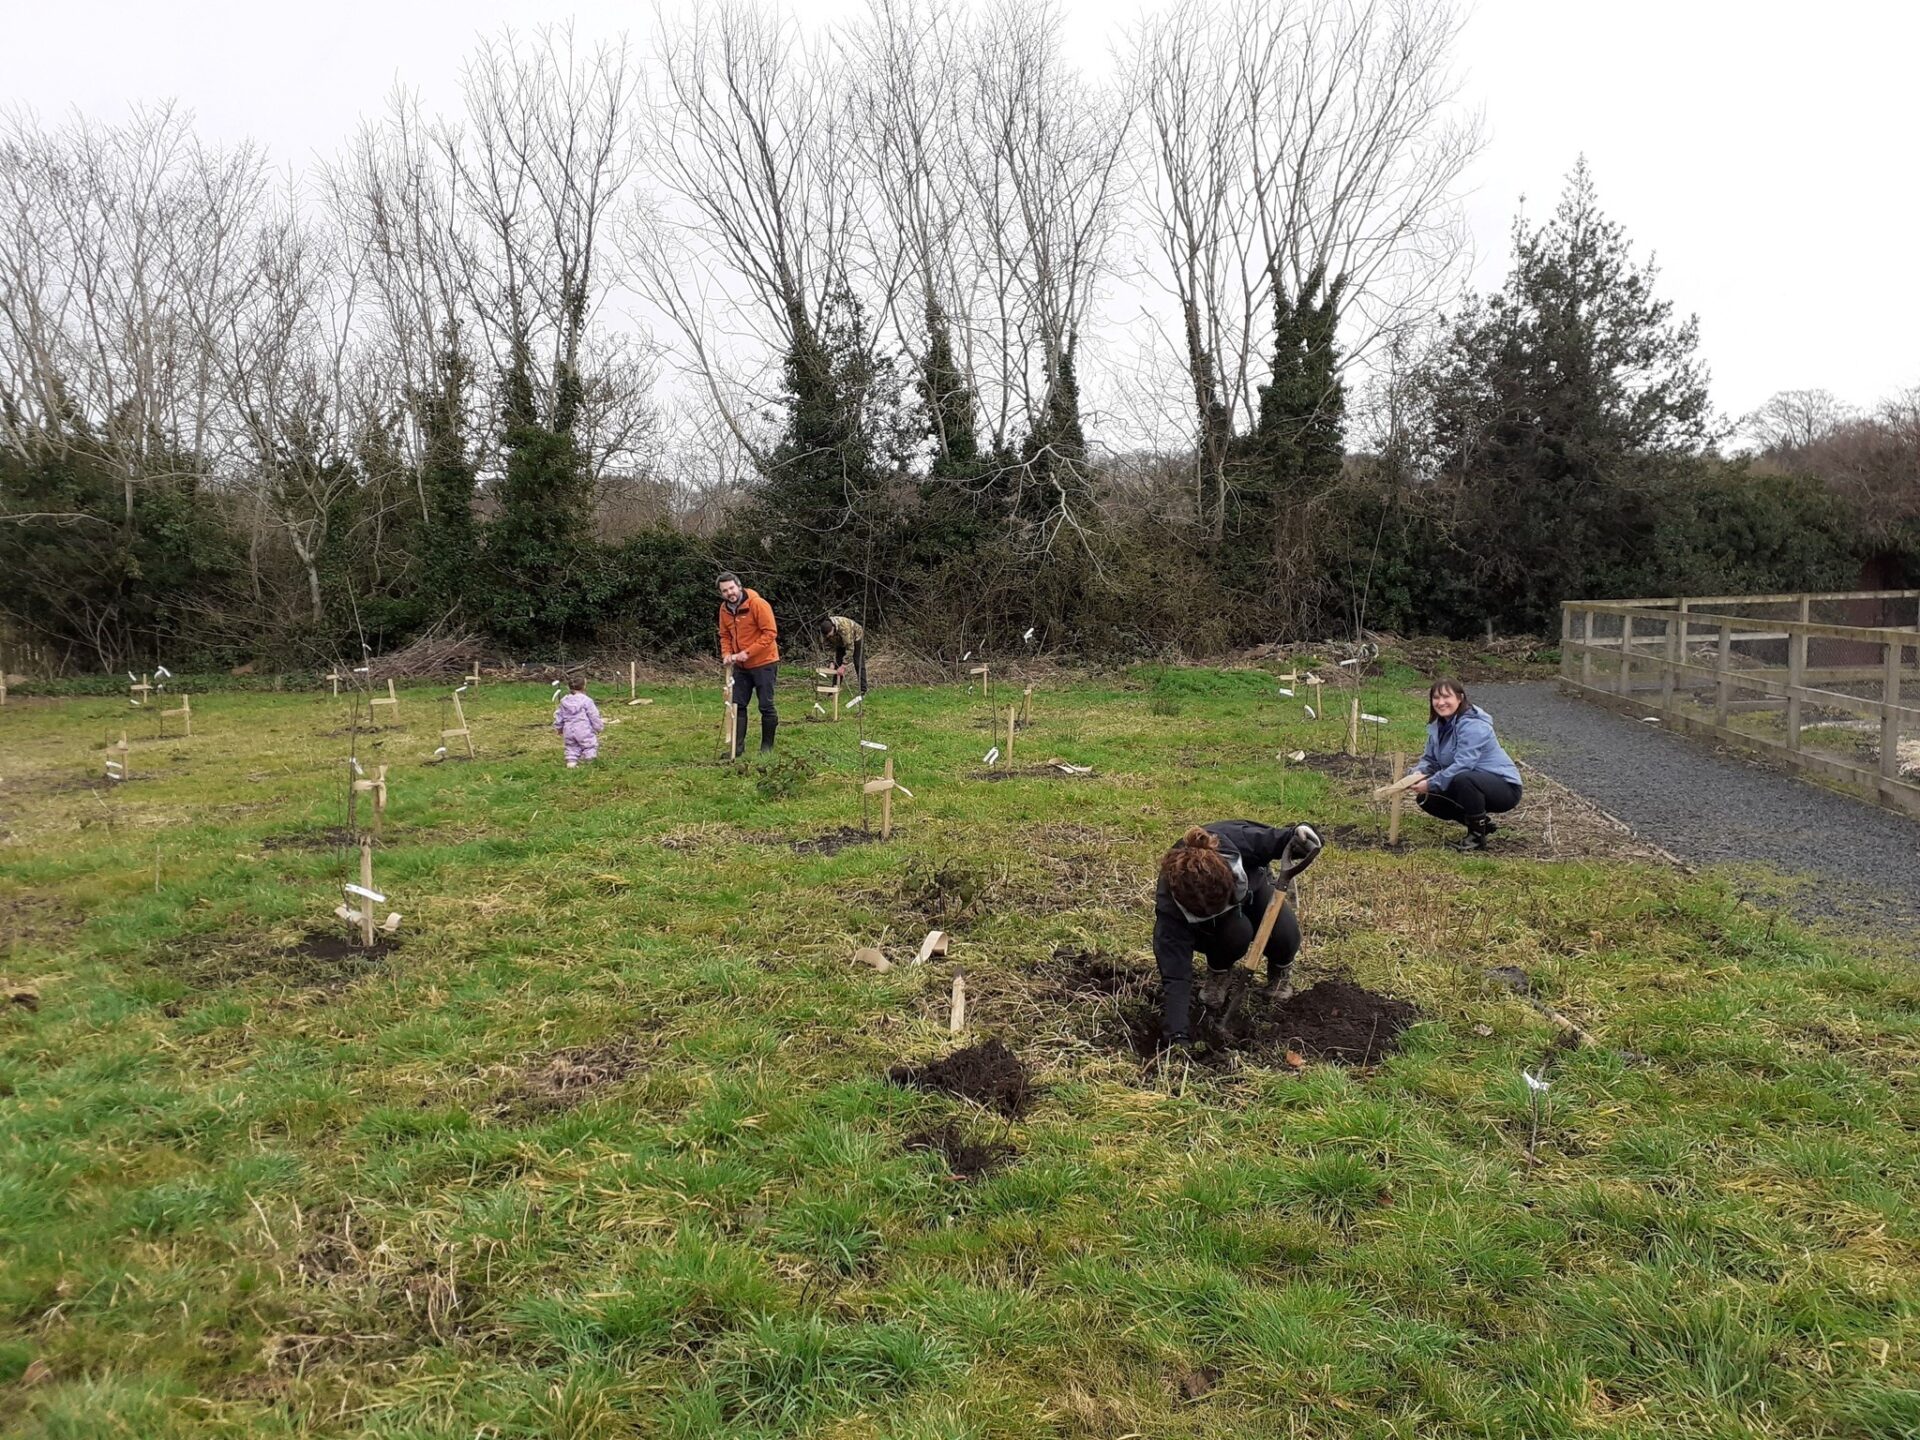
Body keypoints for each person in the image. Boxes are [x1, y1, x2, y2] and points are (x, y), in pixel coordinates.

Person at [1153, 820, 1324, 1049]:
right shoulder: (1170, 907)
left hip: (1253, 889)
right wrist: (1177, 1036)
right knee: (1237, 933)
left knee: (1285, 934)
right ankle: (1219, 972)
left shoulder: (1236, 841)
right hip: (1220, 928)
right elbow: (1176, 975)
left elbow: (1282, 838)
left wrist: (1301, 834)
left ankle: (1279, 975)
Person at [1407, 679, 1522, 851]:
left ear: (1460, 698)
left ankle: (1476, 838)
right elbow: (1430, 760)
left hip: (1504, 787)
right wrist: (1417, 774)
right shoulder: (1438, 727)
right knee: (1427, 799)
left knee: (1463, 778)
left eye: (1447, 697)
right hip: (1470, 784)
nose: (1441, 702)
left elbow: (1464, 764)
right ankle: (1484, 825)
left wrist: (1430, 783)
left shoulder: (1473, 725)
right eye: (1436, 698)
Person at [717, 571, 780, 755]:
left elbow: (770, 633)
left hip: (764, 663)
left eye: (731, 588)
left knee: (766, 706)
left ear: (739, 586)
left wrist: (747, 652)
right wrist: (727, 653)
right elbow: (725, 635)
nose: (730, 593)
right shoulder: (724, 609)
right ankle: (737, 748)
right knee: (737, 705)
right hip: (741, 667)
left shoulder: (758, 604)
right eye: (725, 591)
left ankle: (766, 748)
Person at [553, 677, 605, 768]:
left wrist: (559, 728)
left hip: (568, 728)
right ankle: (589, 763)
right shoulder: (587, 701)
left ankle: (571, 763)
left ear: (569, 688)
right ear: (584, 687)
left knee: (571, 746)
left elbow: (559, 715)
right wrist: (598, 727)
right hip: (583, 728)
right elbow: (593, 715)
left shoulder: (564, 701)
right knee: (589, 745)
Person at [819, 614, 868, 696]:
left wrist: (844, 665)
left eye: (830, 635)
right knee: (837, 664)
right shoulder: (826, 630)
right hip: (839, 641)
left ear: (834, 628)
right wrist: (831, 661)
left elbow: (850, 648)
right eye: (828, 636)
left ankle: (863, 690)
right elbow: (828, 647)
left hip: (856, 637)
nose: (829, 637)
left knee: (858, 662)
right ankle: (834, 689)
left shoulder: (844, 628)